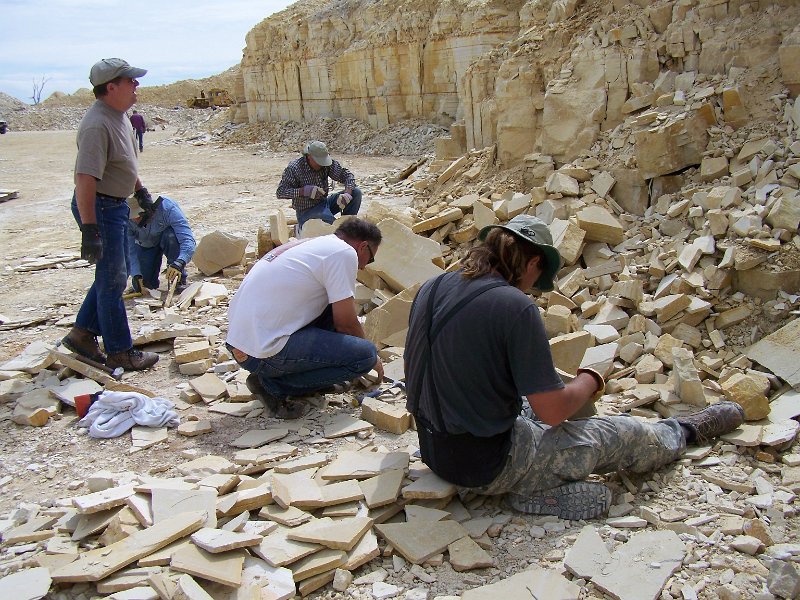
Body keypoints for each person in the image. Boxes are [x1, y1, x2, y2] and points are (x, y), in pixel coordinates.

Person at [404, 214, 745, 521]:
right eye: (536, 279)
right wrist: (587, 383)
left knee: (525, 407)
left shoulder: (432, 288)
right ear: (533, 262)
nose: (531, 289)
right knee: (616, 433)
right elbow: (552, 412)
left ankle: (521, 481)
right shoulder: (514, 307)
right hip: (488, 466)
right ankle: (683, 431)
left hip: (436, 449)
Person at [226, 218, 384, 419]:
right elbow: (346, 324)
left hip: (240, 342)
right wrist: (373, 358)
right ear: (363, 246)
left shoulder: (312, 244)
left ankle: (296, 375)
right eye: (369, 259)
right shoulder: (345, 253)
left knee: (331, 304)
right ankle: (272, 384)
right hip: (261, 352)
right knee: (364, 356)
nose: (363, 267)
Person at [61, 58, 159, 372]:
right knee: (114, 279)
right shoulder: (96, 124)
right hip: (99, 207)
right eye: (130, 81)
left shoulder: (120, 116)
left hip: (114, 204)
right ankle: (120, 351)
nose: (136, 86)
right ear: (111, 87)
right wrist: (90, 228)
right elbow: (85, 179)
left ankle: (82, 333)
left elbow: (124, 162)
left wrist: (140, 190)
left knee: (111, 275)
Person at [276, 141, 362, 231]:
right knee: (333, 227)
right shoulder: (295, 168)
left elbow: (347, 175)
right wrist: (304, 191)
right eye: (318, 162)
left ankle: (348, 225)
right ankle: (342, 231)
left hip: (324, 203)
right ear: (309, 156)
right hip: (306, 211)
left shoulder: (326, 164)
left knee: (356, 193)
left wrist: (347, 194)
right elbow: (281, 192)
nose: (321, 164)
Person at [126, 195, 196, 294]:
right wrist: (136, 274)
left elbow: (187, 240)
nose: (135, 220)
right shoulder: (124, 217)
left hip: (167, 239)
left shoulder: (168, 208)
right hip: (145, 245)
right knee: (146, 284)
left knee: (171, 236)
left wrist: (179, 262)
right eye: (133, 217)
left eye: (139, 216)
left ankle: (178, 279)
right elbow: (129, 250)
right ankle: (144, 281)